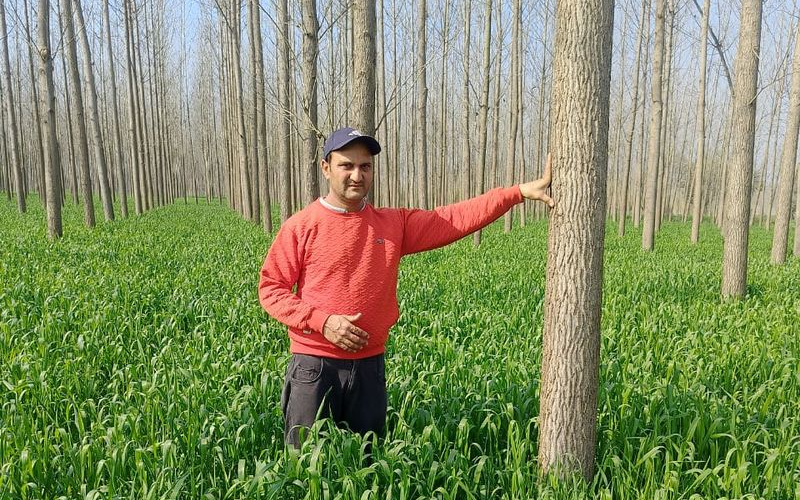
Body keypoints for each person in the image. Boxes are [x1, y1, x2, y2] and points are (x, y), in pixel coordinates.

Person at [258, 127, 554, 448]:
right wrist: (322, 322)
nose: (357, 175)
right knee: (306, 465)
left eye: (365, 166)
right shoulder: (301, 226)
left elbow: (452, 218)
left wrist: (516, 193)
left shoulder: (392, 224)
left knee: (365, 462)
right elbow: (271, 288)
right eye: (347, 165)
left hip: (369, 367)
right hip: (314, 367)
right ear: (326, 168)